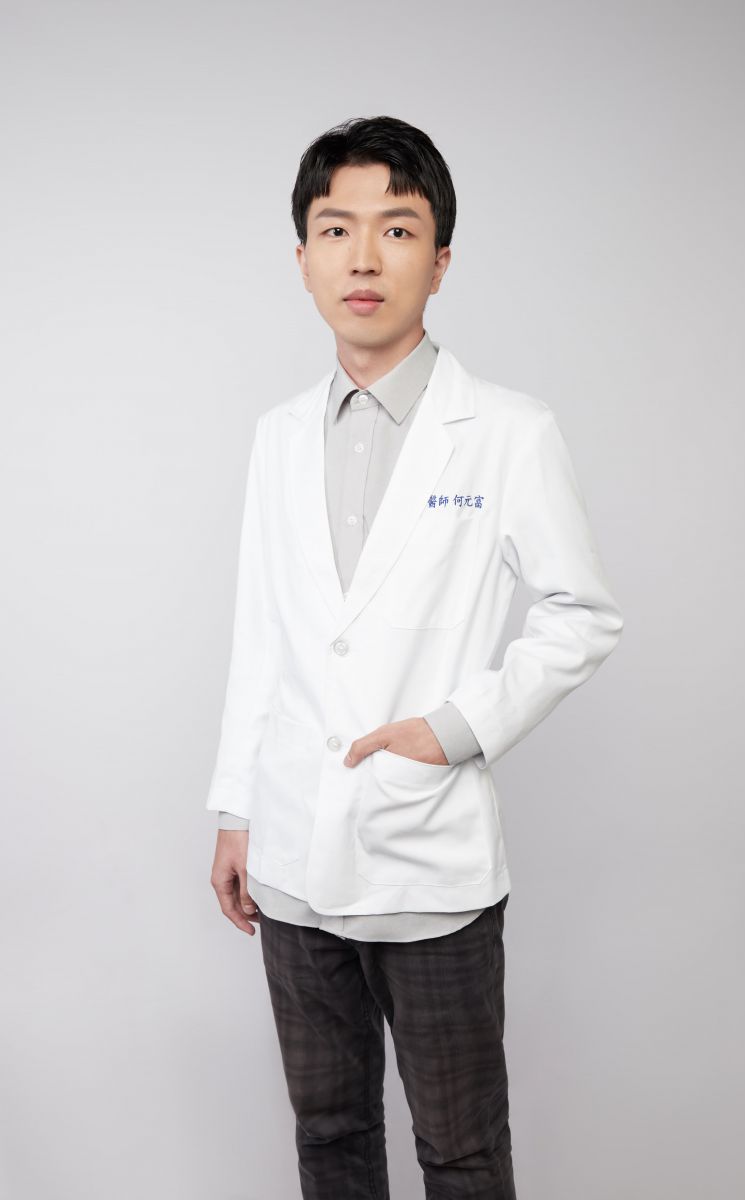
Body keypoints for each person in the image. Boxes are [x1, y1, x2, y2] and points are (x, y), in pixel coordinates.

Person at [207, 114, 624, 1199]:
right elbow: (262, 629)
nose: (362, 257)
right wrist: (237, 810)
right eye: (334, 229)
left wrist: (454, 731)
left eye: (395, 229)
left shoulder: (507, 431)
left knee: (461, 1150)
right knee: (330, 1137)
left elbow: (582, 612)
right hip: (292, 852)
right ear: (302, 257)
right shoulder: (277, 435)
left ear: (438, 261)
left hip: (427, 860)